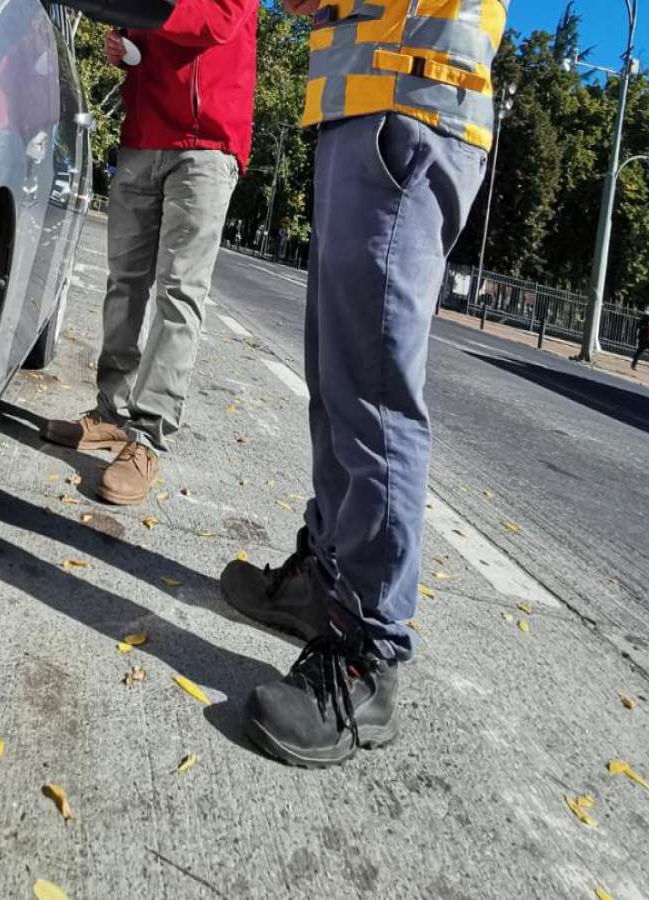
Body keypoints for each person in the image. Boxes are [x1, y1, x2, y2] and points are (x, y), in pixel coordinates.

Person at [221, 0, 507, 768]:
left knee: (373, 390)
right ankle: (326, 577)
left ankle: (369, 656)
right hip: (366, 105)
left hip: (412, 106)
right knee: (338, 377)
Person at [40, 1, 258, 505]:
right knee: (124, 281)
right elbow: (137, 24)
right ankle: (109, 413)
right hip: (143, 133)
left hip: (206, 144)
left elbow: (217, 19)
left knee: (179, 292)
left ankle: (147, 438)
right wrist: (120, 43)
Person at [631, 306, 649, 376]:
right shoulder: (645, 318)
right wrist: (646, 328)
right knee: (639, 352)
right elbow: (638, 325)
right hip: (644, 339)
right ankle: (634, 363)